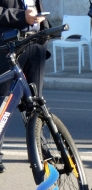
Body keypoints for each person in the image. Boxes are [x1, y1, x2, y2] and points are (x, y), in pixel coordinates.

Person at [0, 0, 50, 173]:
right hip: (9, 46)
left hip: (36, 43)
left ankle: (40, 149)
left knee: (35, 100)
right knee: (4, 102)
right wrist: (21, 16)